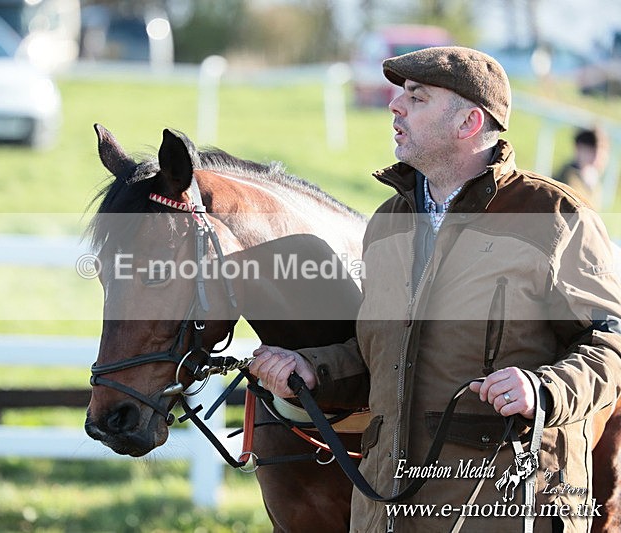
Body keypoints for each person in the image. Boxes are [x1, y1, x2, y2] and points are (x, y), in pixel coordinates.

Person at [249, 46, 621, 532]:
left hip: (508, 508)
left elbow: (609, 344)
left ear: (468, 123)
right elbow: (381, 357)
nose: (394, 106)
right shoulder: (386, 225)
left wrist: (543, 388)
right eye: (401, 95)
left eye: (417, 98)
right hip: (387, 510)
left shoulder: (555, 217)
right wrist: (312, 369)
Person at [553, 127, 609, 210]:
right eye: (592, 151)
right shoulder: (567, 177)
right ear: (579, 148)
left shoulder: (594, 181)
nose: (598, 157)